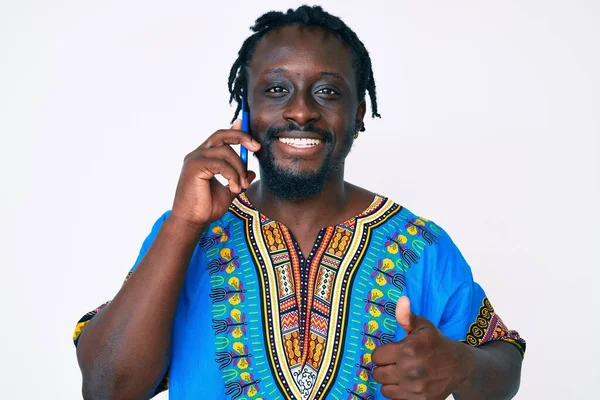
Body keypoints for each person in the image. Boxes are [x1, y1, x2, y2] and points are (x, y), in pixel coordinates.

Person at [72, 5, 525, 400]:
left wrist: (461, 367)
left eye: (327, 91)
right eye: (276, 89)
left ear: (359, 112)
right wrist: (183, 224)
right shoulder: (184, 234)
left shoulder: (420, 244)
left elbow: (503, 365)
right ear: (245, 107)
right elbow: (107, 389)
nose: (302, 111)